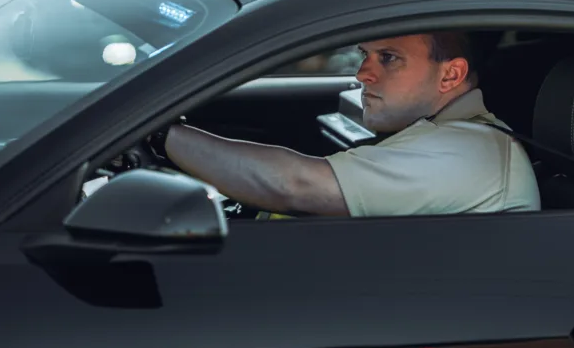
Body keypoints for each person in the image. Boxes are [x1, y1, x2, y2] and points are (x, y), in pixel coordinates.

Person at [157, 32, 542, 217]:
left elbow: (295, 185)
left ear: (450, 76)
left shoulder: (468, 153)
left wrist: (161, 137)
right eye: (365, 55)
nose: (362, 73)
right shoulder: (441, 134)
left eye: (388, 58)